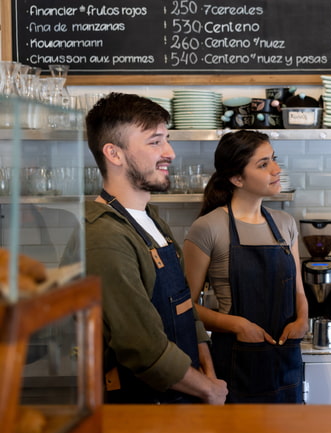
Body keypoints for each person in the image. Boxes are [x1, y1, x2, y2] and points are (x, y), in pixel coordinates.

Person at [83, 92, 228, 404]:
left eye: (168, 139)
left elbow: (185, 306)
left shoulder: (151, 220)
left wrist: (208, 370)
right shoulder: (104, 234)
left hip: (184, 395)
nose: (170, 153)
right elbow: (140, 345)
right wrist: (208, 389)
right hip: (144, 409)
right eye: (155, 141)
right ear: (114, 153)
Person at [183, 130, 309, 403]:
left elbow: (298, 290)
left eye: (274, 159)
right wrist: (237, 325)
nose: (277, 169)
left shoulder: (285, 224)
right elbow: (185, 306)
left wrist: (302, 320)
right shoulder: (208, 227)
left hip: (285, 361)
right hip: (236, 364)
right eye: (263, 164)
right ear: (236, 178)